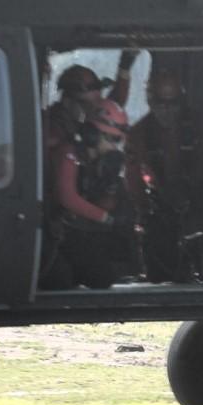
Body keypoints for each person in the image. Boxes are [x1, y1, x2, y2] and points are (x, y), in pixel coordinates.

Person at [125, 69, 203, 283]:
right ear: (151, 102)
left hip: (196, 200)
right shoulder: (139, 135)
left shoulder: (197, 126)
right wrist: (145, 210)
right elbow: (134, 180)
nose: (167, 111)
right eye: (161, 104)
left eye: (174, 104)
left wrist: (189, 191)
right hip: (159, 206)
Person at [48, 100, 137, 289]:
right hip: (57, 232)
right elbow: (67, 198)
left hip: (78, 231)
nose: (116, 146)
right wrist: (106, 218)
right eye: (112, 139)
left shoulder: (99, 162)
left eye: (119, 140)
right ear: (92, 135)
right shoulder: (68, 154)